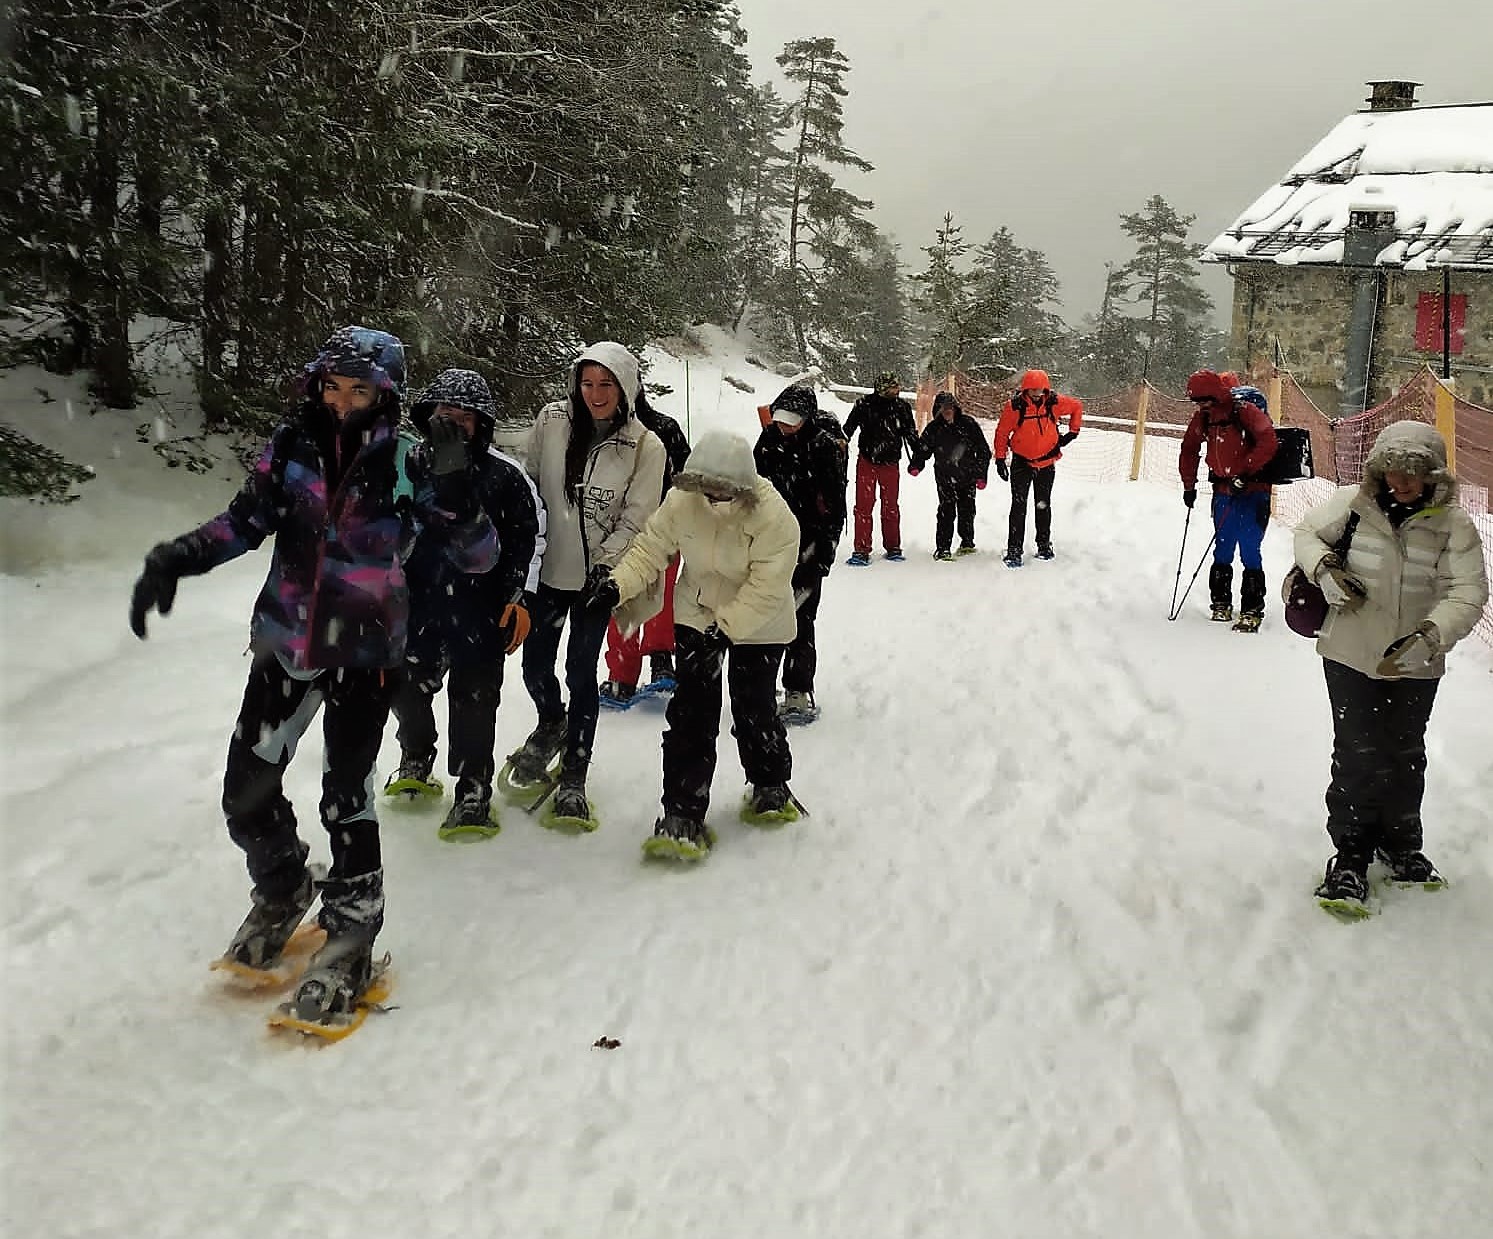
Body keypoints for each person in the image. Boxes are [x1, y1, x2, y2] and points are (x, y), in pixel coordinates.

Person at [127, 327, 497, 1022]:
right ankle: (283, 883)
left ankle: (352, 929)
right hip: (285, 641)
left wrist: (457, 492)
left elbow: (478, 557)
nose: (342, 401)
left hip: (365, 651)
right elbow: (245, 521)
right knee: (244, 792)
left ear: (384, 394)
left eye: (359, 389)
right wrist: (176, 556)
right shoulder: (292, 445)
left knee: (346, 795)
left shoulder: (409, 463)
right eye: (332, 386)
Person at [1293, 421, 1487, 911]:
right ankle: (1350, 856)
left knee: (1404, 752)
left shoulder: (1452, 525)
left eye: (1414, 474)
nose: (1402, 483)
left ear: (1434, 475)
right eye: (1394, 472)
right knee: (1359, 752)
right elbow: (1306, 533)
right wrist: (1325, 571)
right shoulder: (1352, 506)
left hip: (1415, 662)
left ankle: (1401, 846)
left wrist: (1434, 634)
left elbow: (1468, 591)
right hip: (1350, 653)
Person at [584, 430, 802, 859]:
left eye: (723, 490)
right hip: (697, 610)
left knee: (753, 704)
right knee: (692, 711)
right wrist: (616, 587)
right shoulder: (683, 501)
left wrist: (727, 629)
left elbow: (768, 586)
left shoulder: (774, 517)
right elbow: (650, 549)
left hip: (759, 622)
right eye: (706, 486)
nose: (713, 496)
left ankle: (770, 782)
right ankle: (682, 808)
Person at [506, 341, 666, 828]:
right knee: (535, 666)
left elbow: (639, 517)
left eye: (607, 384)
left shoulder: (645, 445)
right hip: (549, 573)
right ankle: (550, 721)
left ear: (626, 388)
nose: (595, 393)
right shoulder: (553, 422)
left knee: (581, 672)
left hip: (599, 581)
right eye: (587, 382)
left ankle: (575, 773)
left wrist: (607, 566)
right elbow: (530, 488)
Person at [385, 369, 545, 839]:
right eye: (441, 414)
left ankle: (473, 787)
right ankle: (416, 753)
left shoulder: (505, 477)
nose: (450, 423)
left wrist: (519, 596)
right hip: (416, 604)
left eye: (462, 416)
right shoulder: (405, 466)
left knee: (475, 702)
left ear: (482, 423)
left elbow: (528, 538)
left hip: (482, 608)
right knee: (407, 688)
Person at [753, 384, 849, 722]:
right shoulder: (767, 441)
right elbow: (753, 488)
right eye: (780, 419)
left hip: (808, 545)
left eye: (792, 421)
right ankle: (759, 688)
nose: (784, 426)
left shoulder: (824, 448)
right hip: (767, 546)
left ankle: (797, 688)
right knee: (763, 618)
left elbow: (836, 506)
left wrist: (825, 552)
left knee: (800, 619)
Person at [599, 390, 691, 706]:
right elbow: (689, 477)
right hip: (653, 526)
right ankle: (658, 663)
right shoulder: (665, 427)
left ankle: (622, 678)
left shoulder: (612, 431)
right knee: (655, 596)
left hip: (632, 528)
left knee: (622, 597)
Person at [1179, 369, 1278, 631]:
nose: (1200, 406)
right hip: (1223, 490)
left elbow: (1268, 441)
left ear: (1215, 395)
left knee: (1249, 548)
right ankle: (1220, 603)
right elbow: (1189, 448)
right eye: (1197, 402)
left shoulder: (1242, 410)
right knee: (1222, 546)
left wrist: (1245, 471)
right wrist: (1189, 485)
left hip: (1253, 490)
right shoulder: (1205, 417)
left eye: (1204, 400)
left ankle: (1252, 609)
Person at [992, 369, 1083, 567]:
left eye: (1040, 389)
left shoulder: (1054, 403)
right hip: (1021, 463)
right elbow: (1002, 433)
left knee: (1043, 505)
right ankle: (1014, 550)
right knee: (1018, 507)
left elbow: (1077, 406)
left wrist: (1073, 431)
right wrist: (1000, 459)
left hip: (1046, 464)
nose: (1036, 393)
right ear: (1025, 389)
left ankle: (1043, 545)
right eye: (1032, 389)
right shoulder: (1015, 407)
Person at [843, 370, 919, 565]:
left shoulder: (901, 407)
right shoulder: (864, 405)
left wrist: (918, 455)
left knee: (890, 506)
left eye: (897, 386)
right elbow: (848, 429)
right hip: (867, 460)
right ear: (882, 388)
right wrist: (840, 443)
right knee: (863, 506)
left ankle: (893, 547)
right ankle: (861, 550)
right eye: (893, 387)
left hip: (890, 462)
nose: (897, 390)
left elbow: (910, 433)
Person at [909, 391, 992, 560]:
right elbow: (923, 449)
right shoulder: (934, 428)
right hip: (944, 476)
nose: (947, 411)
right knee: (946, 510)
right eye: (942, 408)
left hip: (968, 475)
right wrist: (916, 465)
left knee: (967, 510)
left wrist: (981, 474)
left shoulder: (968, 424)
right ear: (937, 411)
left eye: (949, 407)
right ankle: (943, 548)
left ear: (955, 408)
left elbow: (983, 451)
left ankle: (967, 543)